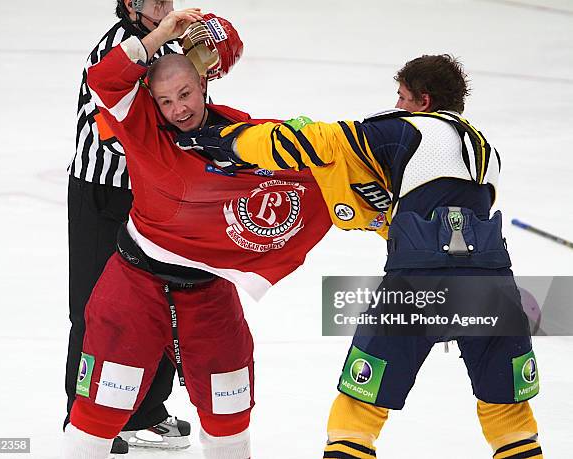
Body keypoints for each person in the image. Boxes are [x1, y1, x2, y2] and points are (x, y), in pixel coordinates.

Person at [177, 55, 544, 458]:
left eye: (403, 97)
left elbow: (316, 141)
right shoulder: (485, 148)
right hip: (493, 283)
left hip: (419, 284)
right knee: (510, 417)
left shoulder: (403, 130)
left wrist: (230, 141)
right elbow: (435, 210)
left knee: (361, 408)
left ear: (423, 100)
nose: (398, 104)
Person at [63, 7, 332, 459]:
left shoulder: (243, 132)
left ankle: (148, 415)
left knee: (229, 420)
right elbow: (105, 80)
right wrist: (164, 32)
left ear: (205, 84)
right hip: (133, 283)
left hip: (208, 298)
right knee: (97, 414)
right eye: (166, 101)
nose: (179, 109)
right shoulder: (144, 121)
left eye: (185, 95)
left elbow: (316, 170)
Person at [66, 0, 191, 453]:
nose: (166, 7)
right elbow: (107, 126)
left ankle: (146, 412)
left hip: (151, 195)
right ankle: (81, 415)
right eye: (155, 1)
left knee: (158, 303)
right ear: (131, 5)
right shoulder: (118, 47)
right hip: (103, 193)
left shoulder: (170, 46)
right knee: (93, 308)